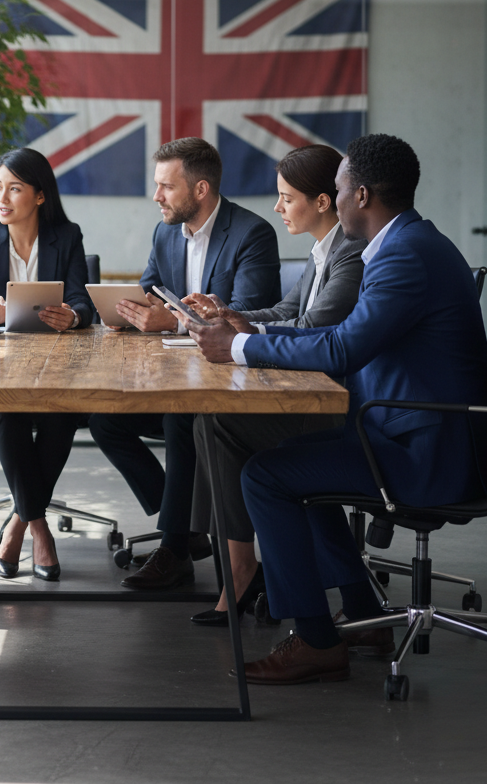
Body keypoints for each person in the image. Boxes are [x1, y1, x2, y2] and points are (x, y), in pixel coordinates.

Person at [185, 133, 487, 685]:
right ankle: (364, 612)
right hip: (414, 430)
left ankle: (314, 639)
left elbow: (341, 346)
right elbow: (341, 336)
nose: (334, 195)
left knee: (266, 475)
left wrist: (238, 346)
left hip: (427, 452)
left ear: (362, 195)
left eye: (339, 186)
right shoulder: (410, 243)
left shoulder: (404, 255)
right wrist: (252, 331)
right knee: (293, 462)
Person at [180, 143, 365, 626]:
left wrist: (240, 336)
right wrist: (230, 316)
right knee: (213, 421)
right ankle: (238, 563)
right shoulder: (323, 249)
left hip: (340, 407)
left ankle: (238, 566)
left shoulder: (351, 254)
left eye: (286, 197)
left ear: (323, 201)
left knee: (219, 422)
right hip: (325, 398)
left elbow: (313, 329)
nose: (277, 207)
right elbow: (288, 313)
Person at [88, 136, 282, 590]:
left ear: (200, 190)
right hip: (180, 370)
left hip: (233, 378)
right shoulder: (164, 232)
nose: (156, 197)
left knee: (181, 418)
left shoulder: (252, 234)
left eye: (166, 187)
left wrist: (171, 324)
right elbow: (150, 290)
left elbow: (247, 316)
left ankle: (174, 548)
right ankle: (189, 523)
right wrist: (130, 315)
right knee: (104, 420)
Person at [0, 147, 93, 581]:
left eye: (14, 188)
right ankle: (39, 530)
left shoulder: (66, 236)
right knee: (6, 409)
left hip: (53, 371)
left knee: (65, 410)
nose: (2, 197)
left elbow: (82, 301)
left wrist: (72, 316)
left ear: (39, 196)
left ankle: (17, 523)